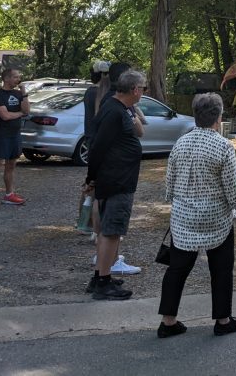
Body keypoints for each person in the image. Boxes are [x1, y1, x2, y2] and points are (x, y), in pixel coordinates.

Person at [158, 93, 236, 338]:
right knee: (221, 270)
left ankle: (168, 321)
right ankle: (222, 319)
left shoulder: (180, 143)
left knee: (177, 269)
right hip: (216, 217)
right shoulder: (222, 146)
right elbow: (232, 186)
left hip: (184, 217)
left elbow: (170, 185)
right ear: (218, 118)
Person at [85, 69, 149, 300]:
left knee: (107, 231)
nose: (143, 92)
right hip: (116, 180)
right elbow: (98, 147)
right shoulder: (113, 111)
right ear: (134, 89)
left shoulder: (116, 107)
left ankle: (100, 277)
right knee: (112, 232)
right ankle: (103, 282)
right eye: (143, 88)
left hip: (116, 178)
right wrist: (91, 178)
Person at [0, 68, 29, 209]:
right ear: (6, 79)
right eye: (16, 77)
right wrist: (19, 113)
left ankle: (9, 194)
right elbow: (5, 116)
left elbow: (27, 111)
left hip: (15, 135)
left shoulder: (18, 93)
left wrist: (24, 93)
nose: (18, 79)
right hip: (2, 135)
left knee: (11, 165)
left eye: (18, 77)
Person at [78, 61, 111, 232]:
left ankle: (85, 221)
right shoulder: (100, 93)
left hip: (91, 140)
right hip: (97, 141)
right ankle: (92, 225)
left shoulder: (89, 91)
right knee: (96, 187)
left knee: (91, 183)